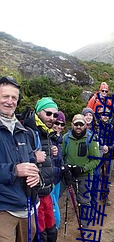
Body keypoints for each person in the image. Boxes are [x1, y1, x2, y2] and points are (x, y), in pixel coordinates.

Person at [0, 76, 40, 241]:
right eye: (5, 96)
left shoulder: (22, 129)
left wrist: (36, 173)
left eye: (14, 97)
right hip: (4, 209)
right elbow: (17, 169)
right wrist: (14, 170)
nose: (10, 101)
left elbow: (31, 160)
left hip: (27, 207)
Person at [23, 97, 59, 241]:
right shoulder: (28, 131)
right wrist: (33, 156)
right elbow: (17, 157)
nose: (52, 118)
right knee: (41, 234)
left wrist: (52, 151)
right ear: (38, 112)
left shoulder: (46, 132)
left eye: (55, 115)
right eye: (48, 113)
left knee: (51, 230)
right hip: (35, 195)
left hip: (47, 191)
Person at [62, 114, 100, 232]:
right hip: (70, 174)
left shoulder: (91, 138)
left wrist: (83, 168)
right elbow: (63, 155)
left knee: (84, 200)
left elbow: (96, 160)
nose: (78, 126)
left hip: (85, 174)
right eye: (76, 124)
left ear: (85, 125)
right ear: (72, 124)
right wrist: (66, 166)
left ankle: (84, 224)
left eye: (81, 124)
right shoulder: (66, 138)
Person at [96, 107, 114, 205]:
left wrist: (109, 148)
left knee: (106, 176)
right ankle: (94, 198)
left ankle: (105, 196)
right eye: (103, 114)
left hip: (108, 154)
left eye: (106, 115)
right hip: (97, 155)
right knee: (95, 176)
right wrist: (101, 147)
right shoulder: (95, 127)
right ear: (100, 116)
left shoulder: (112, 127)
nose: (105, 116)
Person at [50, 111, 66, 230]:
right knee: (53, 207)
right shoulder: (49, 138)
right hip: (50, 179)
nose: (59, 126)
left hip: (57, 179)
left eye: (62, 124)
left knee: (54, 206)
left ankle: (54, 230)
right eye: (57, 123)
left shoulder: (59, 140)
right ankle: (54, 230)